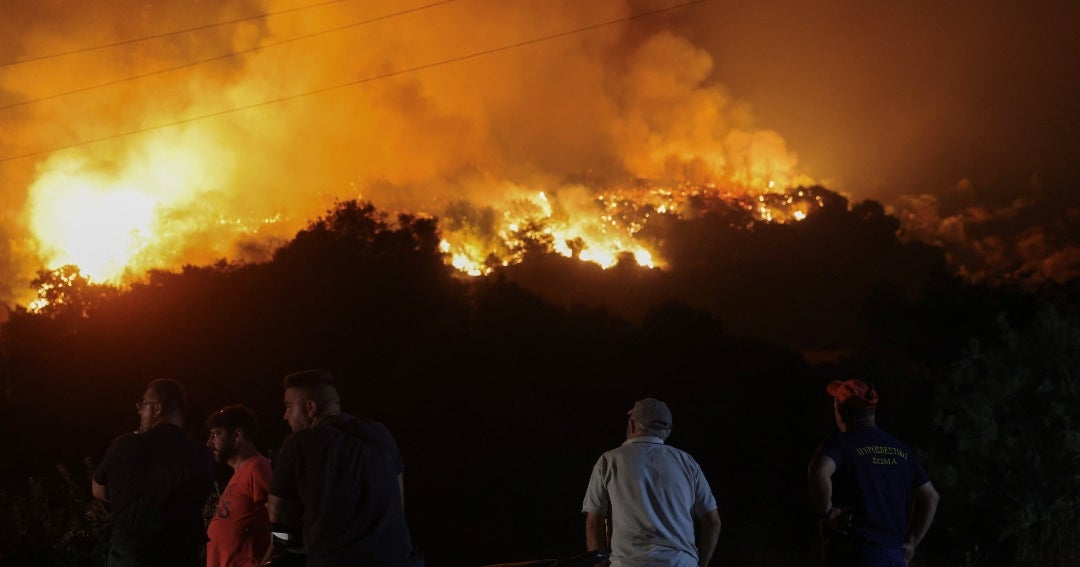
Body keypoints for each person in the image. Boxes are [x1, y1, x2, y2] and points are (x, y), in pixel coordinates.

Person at [266, 369, 424, 566]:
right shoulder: (380, 434)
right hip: (401, 560)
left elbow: (277, 513)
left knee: (277, 534)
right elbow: (399, 500)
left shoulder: (297, 444)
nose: (285, 415)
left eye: (289, 407)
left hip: (336, 561)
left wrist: (285, 543)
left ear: (310, 408)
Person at [807, 379, 940, 566]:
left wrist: (826, 513)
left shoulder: (840, 444)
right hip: (894, 557)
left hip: (857, 554)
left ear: (838, 408)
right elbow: (930, 497)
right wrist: (911, 543)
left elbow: (819, 472)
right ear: (872, 411)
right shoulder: (901, 449)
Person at [581, 398, 721, 567]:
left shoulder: (609, 460)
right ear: (667, 431)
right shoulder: (687, 463)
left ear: (631, 425)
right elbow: (712, 522)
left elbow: (594, 523)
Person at [92, 378, 216, 567]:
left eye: (143, 404)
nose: (140, 411)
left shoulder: (125, 445)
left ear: (157, 409)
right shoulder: (202, 453)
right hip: (181, 557)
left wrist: (127, 501)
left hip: (130, 557)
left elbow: (98, 490)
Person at [205, 404, 274, 567]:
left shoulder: (257, 468)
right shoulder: (239, 474)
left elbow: (286, 521)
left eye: (216, 434)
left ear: (237, 435)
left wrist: (268, 562)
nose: (209, 443)